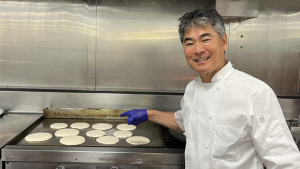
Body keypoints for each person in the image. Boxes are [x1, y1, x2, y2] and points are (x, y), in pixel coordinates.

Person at [120, 7, 300, 169]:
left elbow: (285, 162)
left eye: (205, 39)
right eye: (189, 43)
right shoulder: (192, 89)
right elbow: (186, 122)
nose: (198, 49)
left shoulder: (255, 93)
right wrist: (149, 114)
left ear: (224, 42)